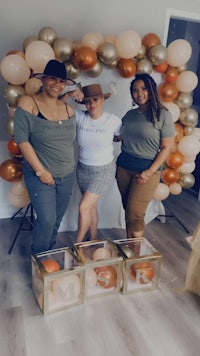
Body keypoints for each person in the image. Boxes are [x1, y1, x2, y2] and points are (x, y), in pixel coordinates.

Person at [14, 59, 82, 254]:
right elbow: (22, 141)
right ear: (43, 79)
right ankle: (39, 260)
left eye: (61, 81)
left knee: (57, 219)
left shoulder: (68, 109)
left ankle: (47, 253)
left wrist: (69, 95)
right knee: (46, 220)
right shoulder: (29, 102)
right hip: (40, 175)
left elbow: (63, 135)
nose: (56, 84)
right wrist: (41, 171)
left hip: (66, 175)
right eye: (52, 78)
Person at [116, 73, 175, 240]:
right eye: (135, 90)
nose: (139, 93)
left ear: (151, 90)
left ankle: (135, 255)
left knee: (135, 213)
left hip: (146, 171)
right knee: (129, 211)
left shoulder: (163, 115)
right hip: (123, 168)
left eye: (143, 89)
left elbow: (166, 147)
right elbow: (118, 135)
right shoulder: (130, 114)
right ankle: (130, 247)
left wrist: (149, 172)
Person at [73, 84, 122, 243]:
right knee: (91, 206)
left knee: (83, 207)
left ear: (102, 100)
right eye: (87, 101)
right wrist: (69, 94)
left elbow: (124, 137)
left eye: (95, 100)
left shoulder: (113, 120)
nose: (92, 104)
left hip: (104, 170)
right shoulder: (79, 116)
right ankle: (93, 238)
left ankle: (77, 244)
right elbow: (56, 105)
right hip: (83, 169)